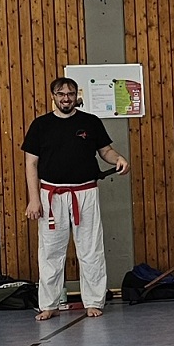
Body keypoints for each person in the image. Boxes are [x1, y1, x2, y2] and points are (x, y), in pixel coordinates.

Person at [21, 76, 129, 321]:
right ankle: (49, 304)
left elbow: (105, 151)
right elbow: (31, 163)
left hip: (85, 192)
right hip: (51, 194)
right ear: (53, 97)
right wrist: (34, 199)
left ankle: (94, 301)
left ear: (76, 96)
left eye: (70, 94)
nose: (66, 98)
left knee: (91, 249)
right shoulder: (41, 125)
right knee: (50, 251)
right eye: (61, 94)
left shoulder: (90, 122)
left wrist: (119, 158)